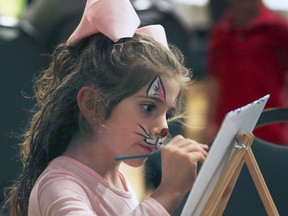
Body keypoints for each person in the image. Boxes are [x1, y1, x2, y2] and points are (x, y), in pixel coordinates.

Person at [3, 0, 208, 215]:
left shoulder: (115, 180)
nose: (164, 128)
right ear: (93, 105)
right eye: (148, 108)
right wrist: (169, 192)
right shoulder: (60, 187)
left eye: (167, 113)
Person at [205, 0, 288, 145]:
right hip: (228, 130)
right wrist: (209, 123)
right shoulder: (221, 31)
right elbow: (214, 81)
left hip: (269, 130)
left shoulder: (278, 29)